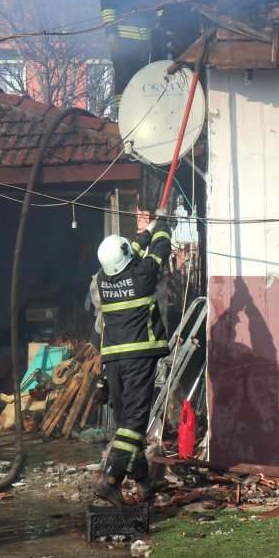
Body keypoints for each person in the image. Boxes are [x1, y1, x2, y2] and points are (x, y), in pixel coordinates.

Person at [93, 213, 171, 505]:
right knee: (134, 423)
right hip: (138, 356)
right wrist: (162, 227)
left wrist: (146, 232)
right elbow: (161, 251)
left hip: (113, 360)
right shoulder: (142, 275)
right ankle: (111, 480)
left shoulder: (103, 279)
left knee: (126, 425)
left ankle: (143, 482)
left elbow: (130, 255)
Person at [100, 0, 167, 114]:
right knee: (125, 80)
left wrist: (161, 22)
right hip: (124, 42)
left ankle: (153, 114)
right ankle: (124, 116)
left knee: (153, 79)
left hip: (152, 39)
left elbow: (162, 0)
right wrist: (110, 34)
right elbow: (108, 8)